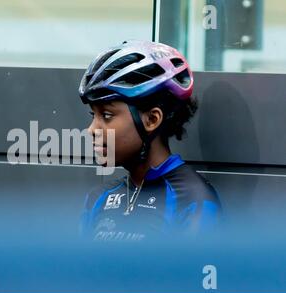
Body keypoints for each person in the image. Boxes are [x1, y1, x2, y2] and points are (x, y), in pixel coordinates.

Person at [78, 40, 222, 242]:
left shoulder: (194, 200)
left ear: (152, 120)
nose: (91, 130)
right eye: (93, 115)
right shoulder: (97, 199)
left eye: (107, 115)